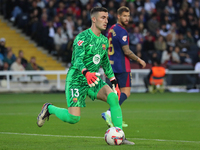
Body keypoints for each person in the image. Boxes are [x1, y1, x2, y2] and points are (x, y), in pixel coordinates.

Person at [37, 7, 134, 145]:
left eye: (107, 18)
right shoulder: (82, 37)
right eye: (102, 17)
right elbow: (77, 60)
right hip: (77, 79)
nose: (106, 20)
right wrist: (86, 73)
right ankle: (49, 108)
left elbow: (105, 62)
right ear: (93, 19)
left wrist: (114, 82)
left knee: (113, 97)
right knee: (73, 118)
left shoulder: (104, 41)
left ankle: (120, 136)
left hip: (92, 80)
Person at [101, 6, 146, 128]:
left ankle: (116, 120)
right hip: (122, 67)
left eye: (128, 16)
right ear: (118, 16)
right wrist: (139, 60)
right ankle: (109, 113)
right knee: (126, 92)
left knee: (116, 95)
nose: (127, 18)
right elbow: (126, 51)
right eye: (124, 16)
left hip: (111, 66)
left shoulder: (111, 29)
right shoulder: (122, 31)